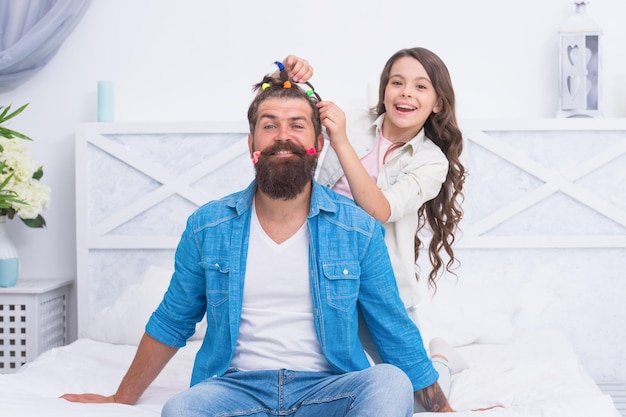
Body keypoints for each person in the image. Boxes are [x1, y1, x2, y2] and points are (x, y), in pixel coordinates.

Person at [61, 60, 455, 415]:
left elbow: (392, 328)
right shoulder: (208, 226)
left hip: (328, 389)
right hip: (234, 389)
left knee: (389, 384)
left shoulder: (357, 230)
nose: (283, 136)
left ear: (317, 145)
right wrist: (121, 398)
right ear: (252, 144)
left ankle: (445, 361)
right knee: (179, 410)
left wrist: (445, 410)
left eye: (297, 125)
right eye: (269, 125)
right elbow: (172, 320)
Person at [284, 48, 467, 409]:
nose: (406, 93)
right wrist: (293, 79)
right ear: (384, 90)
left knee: (419, 402)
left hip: (382, 282)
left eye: (420, 87)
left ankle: (442, 360)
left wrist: (341, 141)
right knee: (335, 387)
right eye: (396, 83)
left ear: (437, 104)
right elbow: (288, 117)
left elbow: (379, 209)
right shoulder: (352, 120)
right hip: (326, 272)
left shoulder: (432, 161)